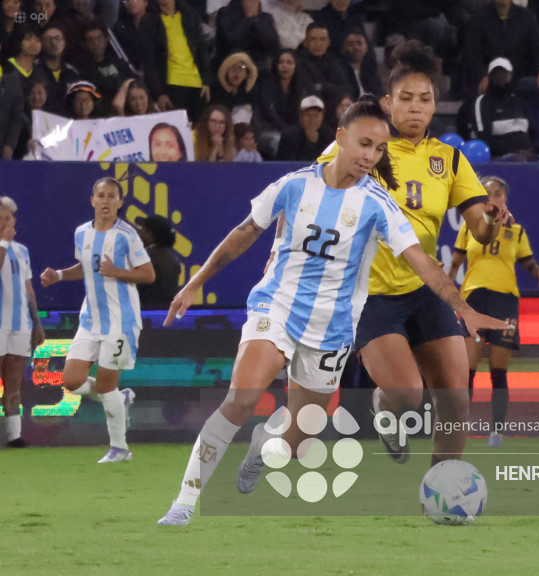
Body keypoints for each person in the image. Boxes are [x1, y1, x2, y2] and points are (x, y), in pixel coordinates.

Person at [156, 95, 507, 525]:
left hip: (333, 327)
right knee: (241, 399)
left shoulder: (377, 204)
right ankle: (185, 502)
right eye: (364, 144)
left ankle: (265, 446)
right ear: (339, 137)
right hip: (278, 307)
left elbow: (420, 261)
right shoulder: (293, 185)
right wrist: (195, 283)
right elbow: (244, 233)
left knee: (299, 441)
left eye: (379, 149)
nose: (371, 156)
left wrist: (459, 306)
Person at [315, 40, 511, 465]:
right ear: (388, 103)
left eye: (425, 99)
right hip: (371, 293)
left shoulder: (451, 160)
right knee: (407, 394)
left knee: (456, 397)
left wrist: (492, 219)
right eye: (405, 99)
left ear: (435, 103)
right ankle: (386, 412)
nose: (416, 108)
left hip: (426, 290)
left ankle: (445, 484)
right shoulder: (360, 144)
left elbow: (478, 229)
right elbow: (313, 193)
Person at [40, 177, 156, 463]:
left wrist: (117, 271)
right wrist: (61, 275)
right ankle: (120, 399)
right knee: (72, 380)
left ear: (120, 202)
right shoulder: (82, 233)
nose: (105, 201)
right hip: (90, 319)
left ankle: (120, 448)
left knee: (105, 386)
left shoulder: (126, 235)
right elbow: (87, 266)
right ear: (92, 200)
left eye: (111, 196)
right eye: (101, 196)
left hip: (120, 321)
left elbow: (148, 274)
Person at [447, 176, 539, 447]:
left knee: (498, 370)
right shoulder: (469, 227)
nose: (492, 198)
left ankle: (496, 431)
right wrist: (446, 290)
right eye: (486, 194)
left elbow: (529, 265)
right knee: (467, 369)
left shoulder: (517, 231)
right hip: (474, 299)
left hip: (505, 301)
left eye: (497, 194)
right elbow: (455, 262)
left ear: (504, 198)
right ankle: (461, 427)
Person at [0, 196, 45, 447]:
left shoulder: (23, 251)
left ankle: (14, 436)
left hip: (20, 325)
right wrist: (3, 241)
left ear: (14, 220)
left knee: (15, 383)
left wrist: (36, 322)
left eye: (7, 219)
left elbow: (29, 289)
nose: (4, 223)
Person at [135, 215, 180, 309]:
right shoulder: (172, 258)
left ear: (149, 234)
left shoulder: (144, 257)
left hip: (143, 312)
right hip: (164, 313)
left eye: (142, 229)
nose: (139, 232)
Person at [275, 94, 334, 160]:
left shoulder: (329, 136)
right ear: (300, 117)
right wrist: (310, 143)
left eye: (316, 115)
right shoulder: (289, 136)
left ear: (322, 117)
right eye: (308, 115)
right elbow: (288, 163)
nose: (312, 119)